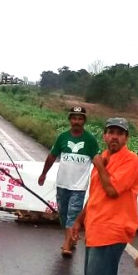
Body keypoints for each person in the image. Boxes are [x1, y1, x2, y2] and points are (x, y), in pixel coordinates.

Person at [63, 118, 138, 275]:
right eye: (110, 133)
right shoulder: (106, 159)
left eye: (120, 133)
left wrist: (98, 165)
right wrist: (79, 220)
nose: (114, 137)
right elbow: (96, 193)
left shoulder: (130, 160)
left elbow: (112, 190)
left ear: (126, 138)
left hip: (113, 228)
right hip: (98, 227)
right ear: (104, 136)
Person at [38, 106, 100, 257]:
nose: (77, 121)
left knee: (73, 214)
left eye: (80, 119)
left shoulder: (90, 140)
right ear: (70, 120)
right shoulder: (62, 137)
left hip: (79, 186)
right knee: (63, 214)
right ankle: (72, 237)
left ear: (84, 121)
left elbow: (97, 162)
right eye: (74, 118)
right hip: (62, 183)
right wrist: (44, 173)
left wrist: (103, 179)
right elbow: (52, 156)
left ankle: (66, 244)